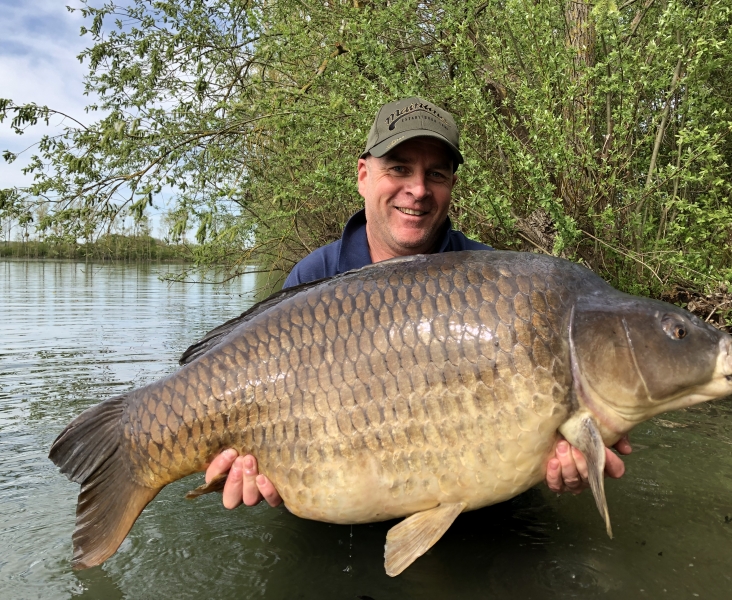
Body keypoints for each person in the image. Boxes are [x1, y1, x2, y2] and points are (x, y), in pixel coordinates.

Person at [204, 97, 631, 510]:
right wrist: (245, 474)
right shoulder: (313, 280)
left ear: (452, 186)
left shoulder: (497, 283)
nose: (418, 190)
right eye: (399, 169)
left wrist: (566, 463)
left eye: (437, 175)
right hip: (341, 513)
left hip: (476, 519)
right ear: (363, 175)